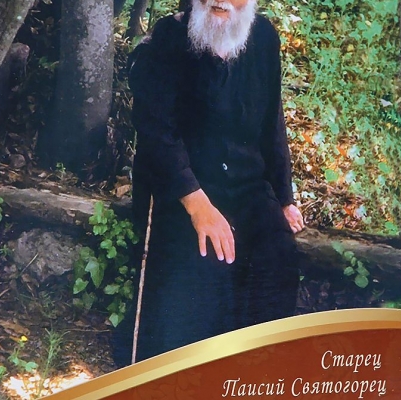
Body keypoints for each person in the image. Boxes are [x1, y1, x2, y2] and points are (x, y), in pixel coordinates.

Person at [128, 0, 305, 362]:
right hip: (185, 189)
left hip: (247, 186)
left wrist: (284, 197)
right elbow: (157, 132)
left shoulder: (264, 38)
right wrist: (198, 206)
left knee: (278, 254)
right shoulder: (170, 38)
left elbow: (272, 122)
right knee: (206, 263)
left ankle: (255, 370)